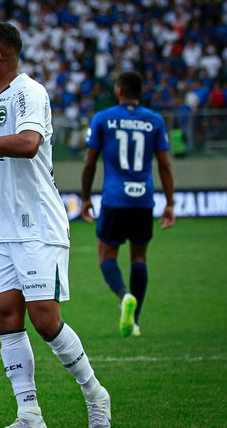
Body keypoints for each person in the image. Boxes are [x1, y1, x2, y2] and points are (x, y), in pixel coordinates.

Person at [0, 22, 111, 428]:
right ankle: (29, 413)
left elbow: (28, 144)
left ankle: (95, 393)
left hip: (36, 226)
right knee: (7, 319)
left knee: (45, 320)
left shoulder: (29, 92)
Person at [80, 71, 175, 338]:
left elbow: (90, 163)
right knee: (139, 257)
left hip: (115, 198)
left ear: (119, 90)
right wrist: (170, 203)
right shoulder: (154, 120)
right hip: (143, 199)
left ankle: (124, 297)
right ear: (140, 91)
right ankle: (135, 322)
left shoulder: (103, 118)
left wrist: (85, 198)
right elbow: (165, 164)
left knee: (106, 255)